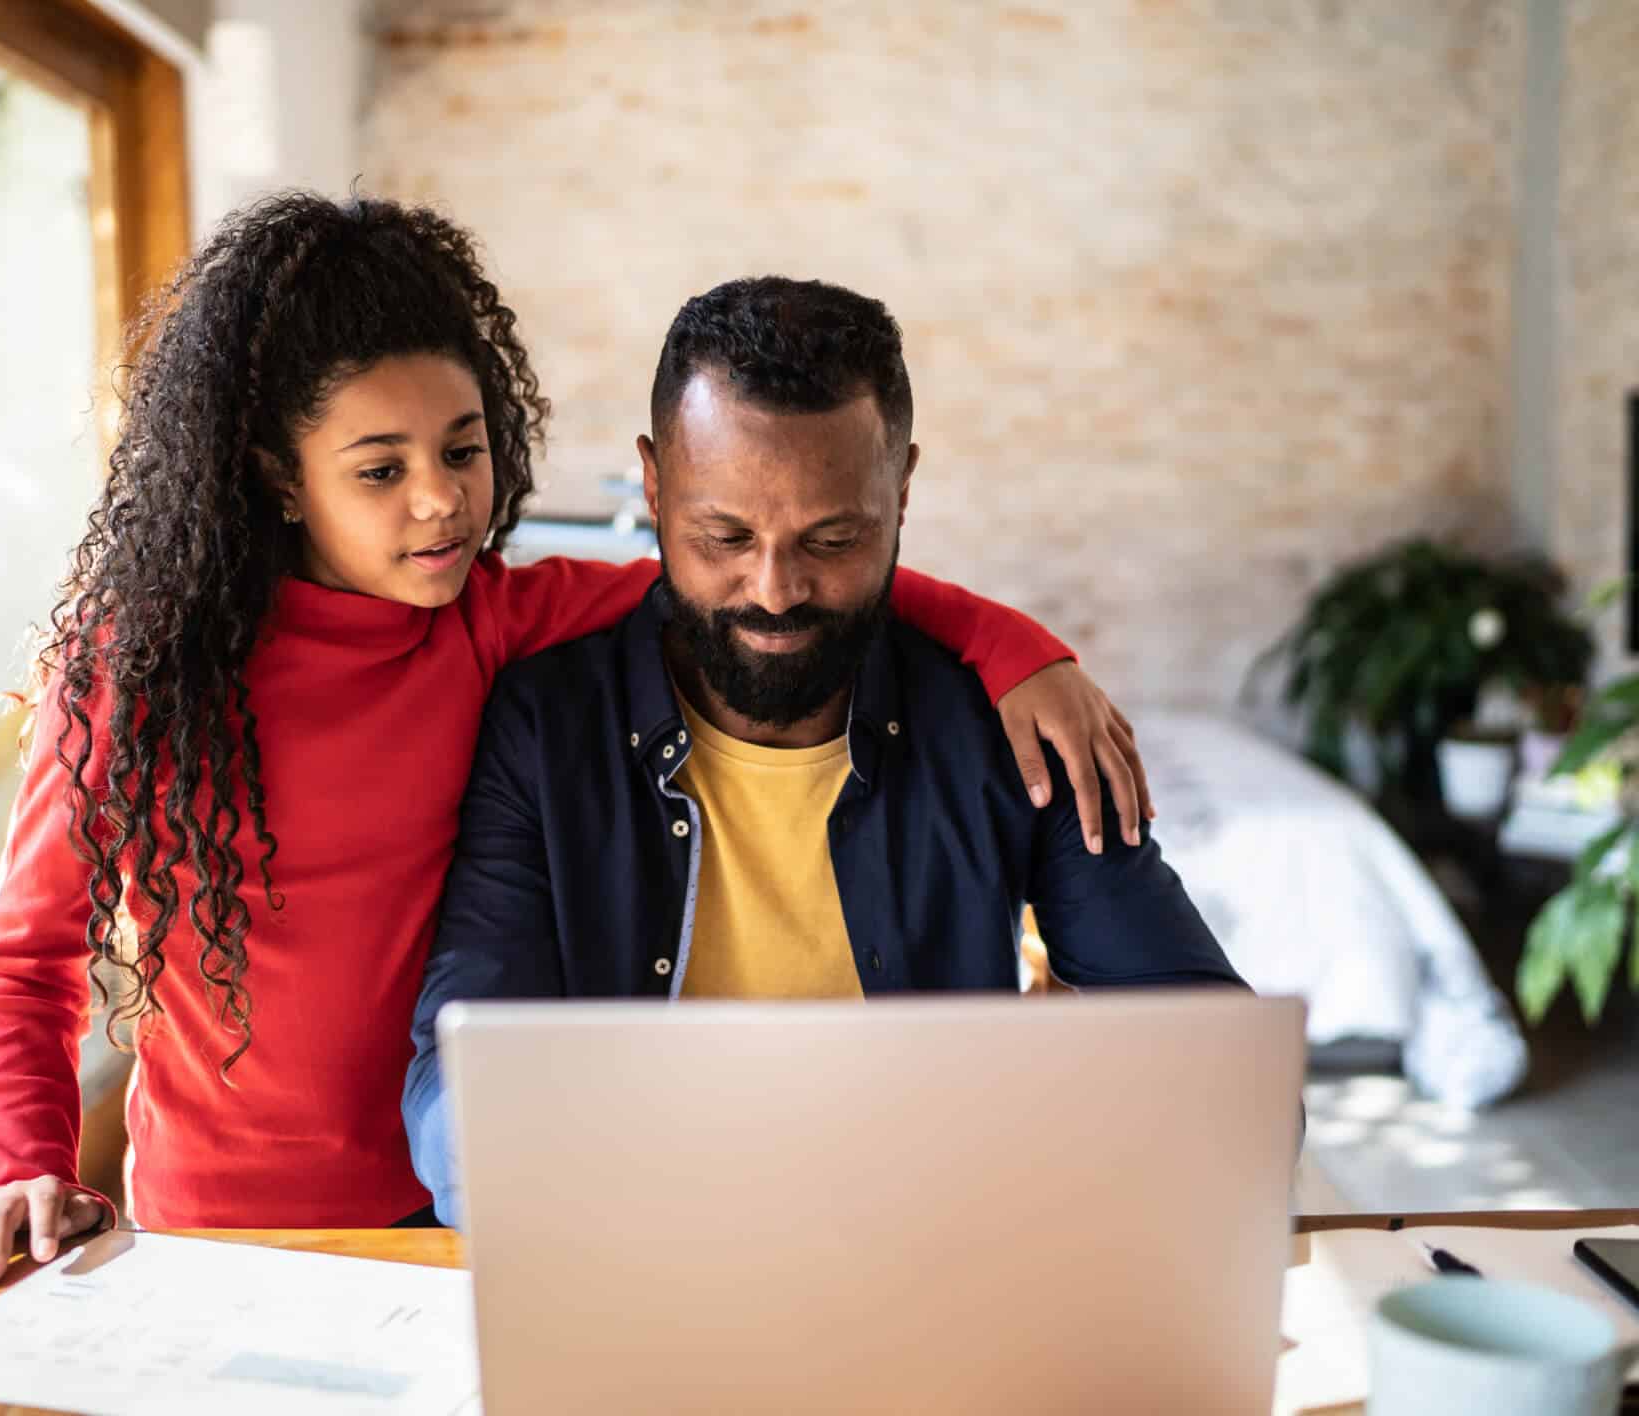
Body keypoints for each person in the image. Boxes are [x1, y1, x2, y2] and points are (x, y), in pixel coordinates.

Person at [0, 194, 1149, 1287]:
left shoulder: (496, 619)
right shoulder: (132, 678)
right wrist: (19, 1167)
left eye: (463, 448)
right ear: (278, 476)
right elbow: (23, 967)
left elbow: (760, 574)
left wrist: (1016, 647)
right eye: (379, 469)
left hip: (468, 1217)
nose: (441, 500)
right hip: (231, 1230)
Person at [405, 276, 1250, 1227]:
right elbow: (455, 1081)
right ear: (653, 483)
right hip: (630, 1245)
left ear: (903, 490)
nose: (773, 590)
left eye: (833, 538)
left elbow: (1225, 1080)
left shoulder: (1006, 731)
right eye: (722, 534)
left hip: (938, 1256)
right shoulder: (543, 726)